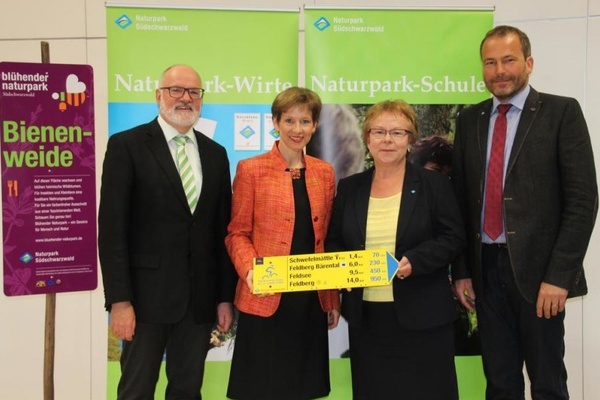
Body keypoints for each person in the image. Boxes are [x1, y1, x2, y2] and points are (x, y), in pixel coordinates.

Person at [452, 25, 598, 399]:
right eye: (490, 62)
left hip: (541, 277)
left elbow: (583, 201)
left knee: (548, 383)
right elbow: (462, 201)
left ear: (529, 63)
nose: (499, 70)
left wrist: (559, 277)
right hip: (484, 272)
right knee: (499, 383)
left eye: (509, 60)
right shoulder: (470, 120)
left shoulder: (561, 112)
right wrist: (463, 271)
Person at [98, 64, 236, 400]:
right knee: (136, 389)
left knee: (187, 390)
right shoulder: (126, 146)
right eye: (177, 90)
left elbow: (222, 231)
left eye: (194, 92)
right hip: (143, 302)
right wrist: (119, 301)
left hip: (199, 302)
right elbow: (112, 229)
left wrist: (223, 296)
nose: (186, 98)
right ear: (159, 95)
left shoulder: (216, 154)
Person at [326, 100, 466, 400]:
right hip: (368, 318)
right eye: (379, 131)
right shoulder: (350, 187)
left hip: (424, 316)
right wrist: (343, 270)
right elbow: (334, 241)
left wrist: (414, 261)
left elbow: (453, 237)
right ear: (367, 138)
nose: (387, 139)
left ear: (410, 139)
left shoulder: (435, 185)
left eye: (397, 132)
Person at [225, 86, 340, 400]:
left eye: (305, 121)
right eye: (289, 120)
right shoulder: (251, 170)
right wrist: (251, 271)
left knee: (304, 387)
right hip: (265, 295)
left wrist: (330, 299)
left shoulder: (325, 173)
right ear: (274, 122)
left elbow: (325, 240)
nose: (297, 129)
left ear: (315, 125)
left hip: (309, 299)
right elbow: (237, 233)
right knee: (262, 387)